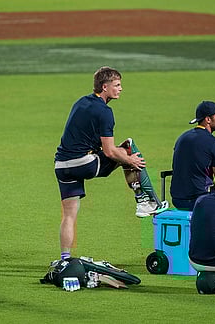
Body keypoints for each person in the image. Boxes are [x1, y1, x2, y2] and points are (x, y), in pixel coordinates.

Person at [54, 66, 164, 260]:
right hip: (83, 163)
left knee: (69, 215)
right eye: (117, 85)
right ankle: (144, 201)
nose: (121, 89)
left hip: (62, 166)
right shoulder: (105, 112)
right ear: (105, 87)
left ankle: (65, 259)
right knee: (128, 148)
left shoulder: (81, 102)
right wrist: (129, 159)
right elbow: (109, 151)